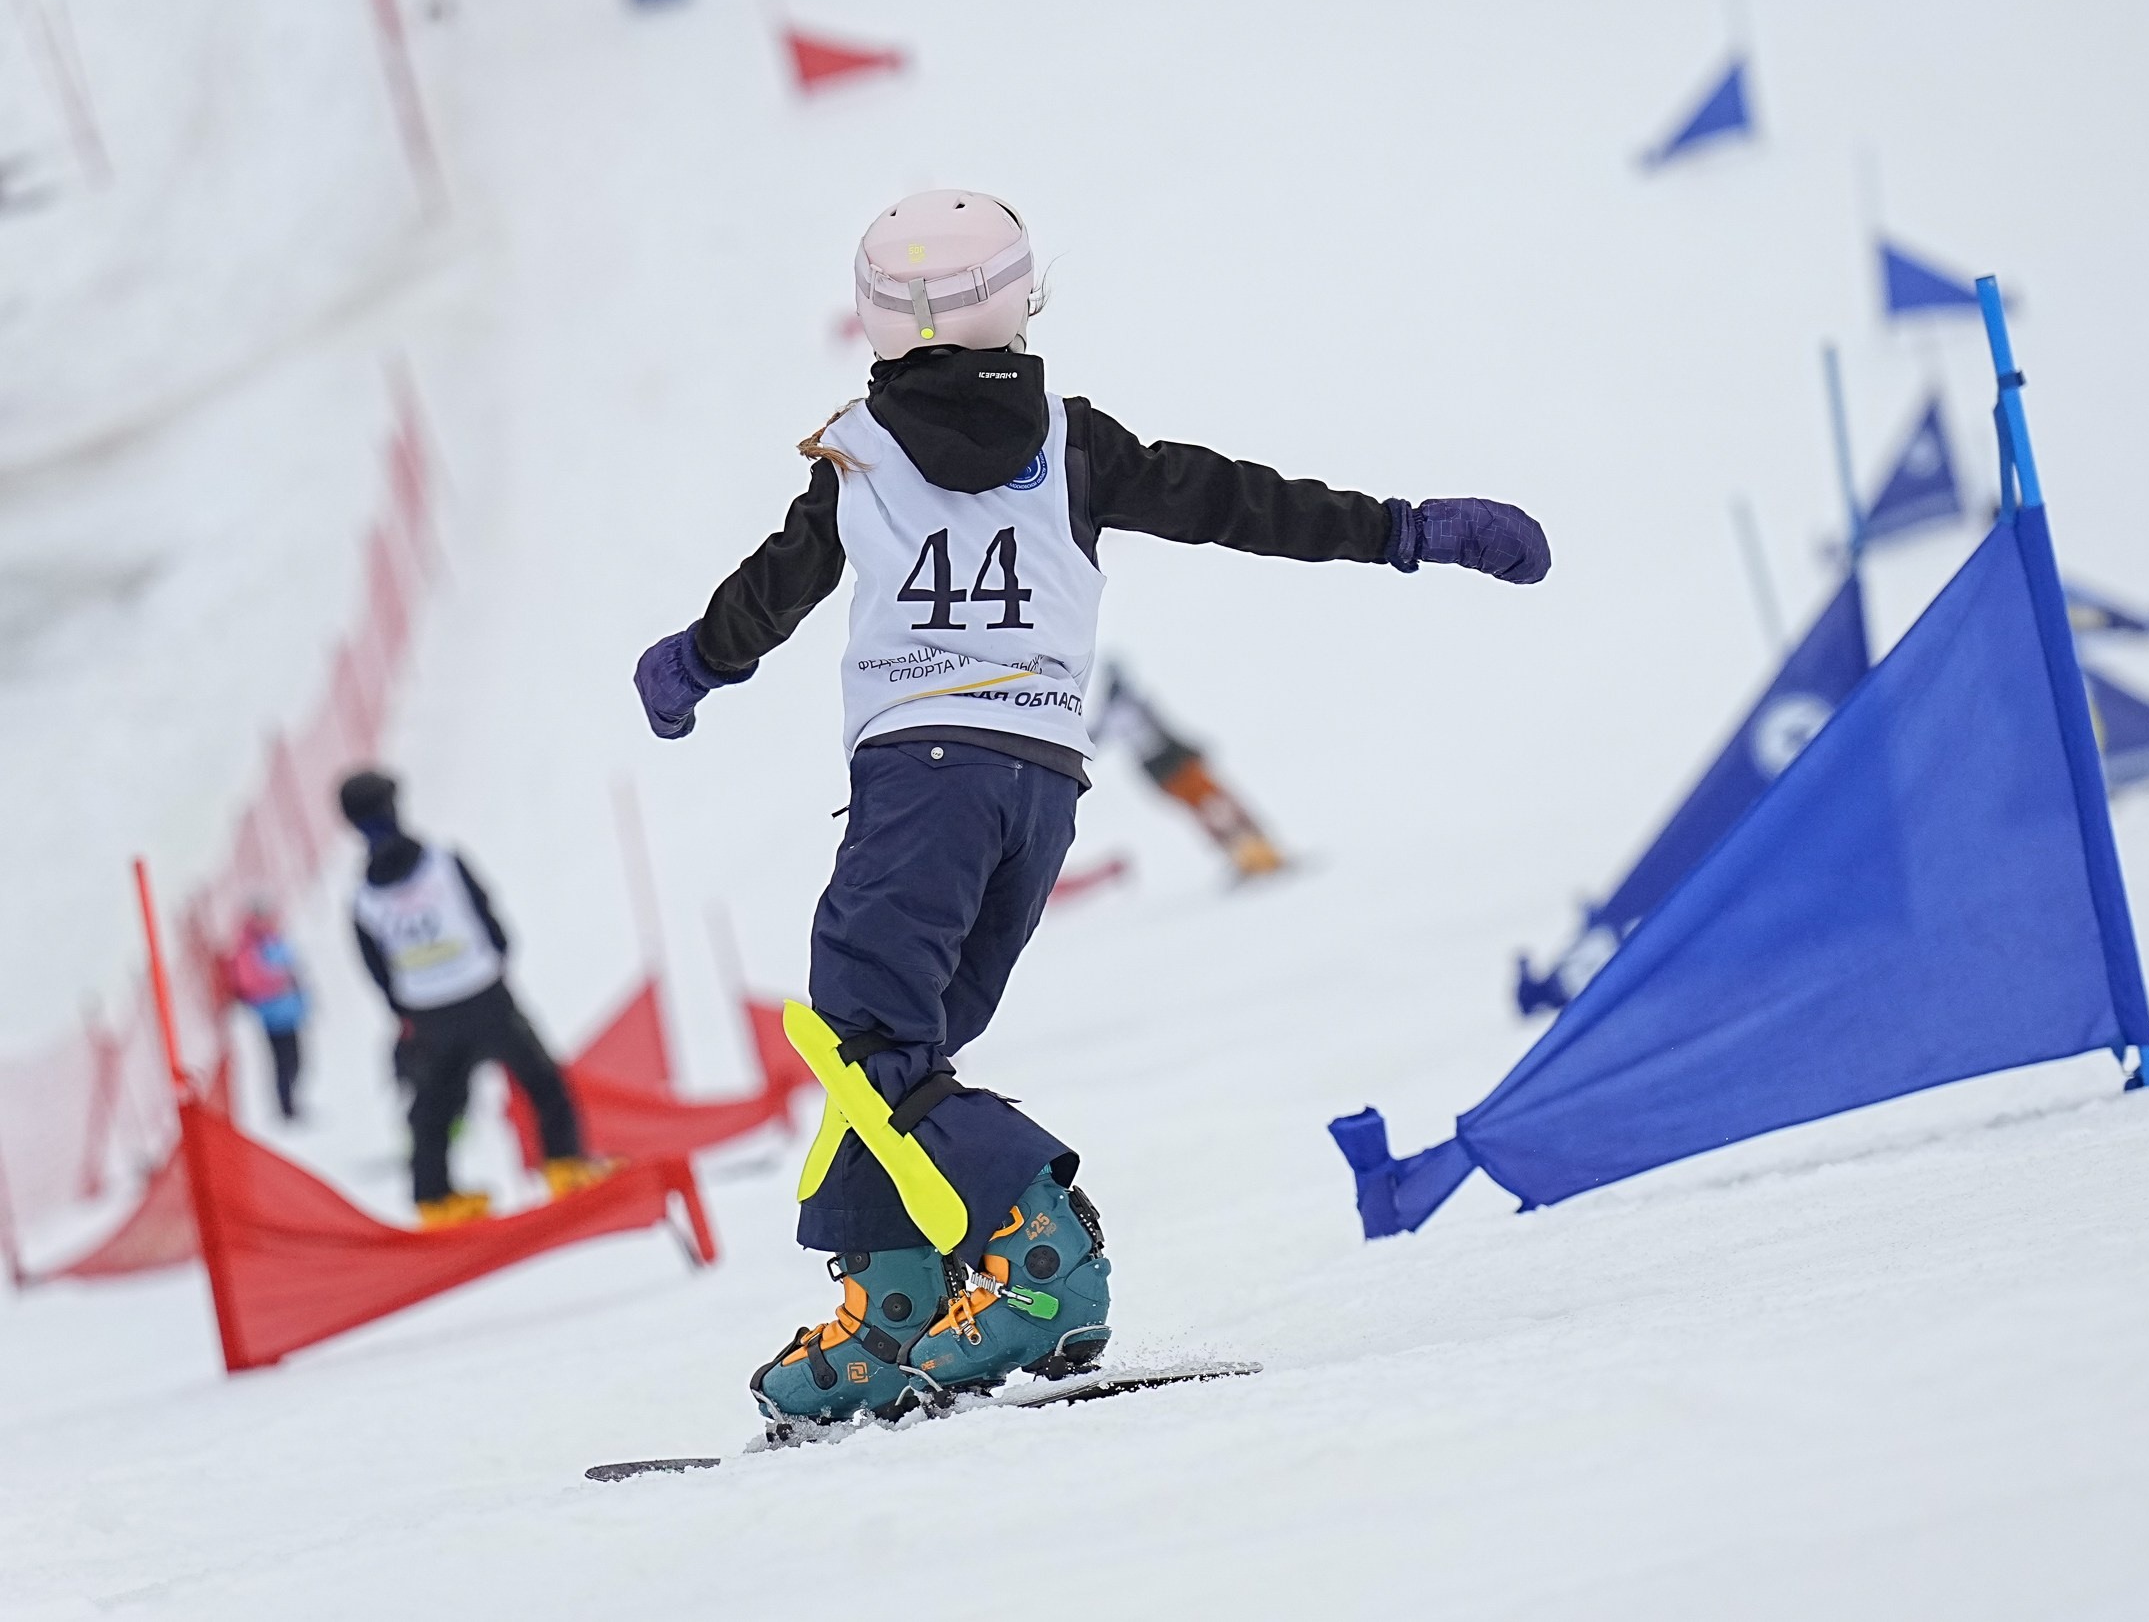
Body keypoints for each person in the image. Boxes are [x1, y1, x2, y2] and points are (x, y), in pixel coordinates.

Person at [632, 190, 1550, 1431]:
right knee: (897, 1059)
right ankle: (894, 1303)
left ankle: (1040, 1266)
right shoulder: (1073, 442)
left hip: (920, 779)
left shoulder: (858, 453)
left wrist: (694, 665)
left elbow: (773, 591)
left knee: (865, 1044)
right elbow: (1234, 501)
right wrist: (1405, 530)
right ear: (1019, 297)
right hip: (1038, 792)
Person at [336, 770, 609, 1229]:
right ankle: (566, 1166)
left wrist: (404, 1006)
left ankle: (435, 1199)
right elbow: (486, 911)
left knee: (436, 1105)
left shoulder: (364, 896)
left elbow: (373, 963)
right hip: (482, 990)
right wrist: (497, 955)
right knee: (541, 1079)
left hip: (426, 1008)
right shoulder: (442, 861)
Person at [1092, 660, 1286, 881]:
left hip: (1165, 771)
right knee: (1219, 807)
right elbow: (1166, 730)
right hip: (1175, 765)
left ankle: (1253, 853)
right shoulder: (1132, 704)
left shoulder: (1113, 713)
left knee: (1211, 811)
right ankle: (1254, 853)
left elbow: (1093, 739)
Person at [225, 904, 310, 1120]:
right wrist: (279, 983)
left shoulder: (272, 938)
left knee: (296, 1060)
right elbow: (249, 982)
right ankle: (286, 1107)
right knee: (283, 1061)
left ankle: (293, 1102)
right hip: (273, 1016)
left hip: (290, 1011)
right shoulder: (247, 946)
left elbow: (291, 967)